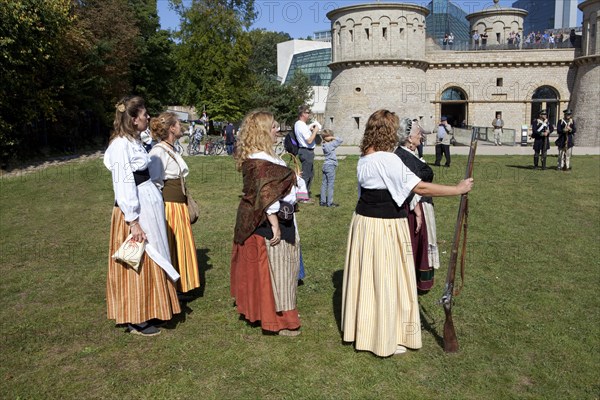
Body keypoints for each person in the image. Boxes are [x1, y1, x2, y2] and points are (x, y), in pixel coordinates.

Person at [341, 109, 473, 357]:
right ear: (389, 132)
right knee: (389, 279)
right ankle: (386, 337)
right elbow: (420, 187)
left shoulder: (364, 158)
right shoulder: (388, 159)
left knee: (370, 279)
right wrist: (457, 189)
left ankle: (366, 330)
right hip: (385, 226)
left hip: (364, 224)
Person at [103, 96, 181, 336]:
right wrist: (133, 221)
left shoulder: (135, 141)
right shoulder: (120, 146)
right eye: (144, 114)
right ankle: (135, 317)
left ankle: (153, 307)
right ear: (133, 119)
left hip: (147, 204)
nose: (148, 117)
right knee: (138, 260)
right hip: (134, 211)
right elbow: (124, 183)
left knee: (153, 255)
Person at [231, 110, 302, 337]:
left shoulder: (264, 157)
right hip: (267, 223)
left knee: (281, 269)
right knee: (276, 271)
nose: (277, 130)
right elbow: (266, 195)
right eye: (273, 127)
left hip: (266, 217)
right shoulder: (260, 161)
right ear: (262, 131)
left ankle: (271, 314)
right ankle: (278, 320)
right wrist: (274, 224)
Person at [148, 112, 201, 297]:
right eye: (178, 124)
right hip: (169, 206)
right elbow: (155, 183)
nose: (181, 127)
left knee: (181, 244)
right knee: (173, 244)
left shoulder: (171, 149)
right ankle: (172, 287)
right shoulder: (158, 152)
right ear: (171, 128)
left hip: (178, 204)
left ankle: (182, 285)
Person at [395, 118, 440, 294]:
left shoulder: (410, 153)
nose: (421, 136)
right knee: (414, 246)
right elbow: (410, 186)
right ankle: (408, 283)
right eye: (418, 133)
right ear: (408, 137)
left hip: (423, 205)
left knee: (422, 245)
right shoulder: (401, 155)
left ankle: (417, 281)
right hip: (414, 208)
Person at [294, 105, 320, 203]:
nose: (309, 114)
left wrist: (310, 130)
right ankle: (302, 197)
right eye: (307, 112)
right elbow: (309, 140)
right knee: (306, 174)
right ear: (302, 114)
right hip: (306, 151)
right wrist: (316, 131)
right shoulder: (300, 125)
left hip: (305, 151)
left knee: (310, 173)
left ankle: (305, 195)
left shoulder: (300, 124)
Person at [319, 129, 343, 208]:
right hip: (330, 166)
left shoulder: (324, 144)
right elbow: (340, 140)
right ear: (328, 137)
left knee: (324, 184)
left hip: (325, 165)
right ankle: (330, 203)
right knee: (330, 184)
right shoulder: (330, 145)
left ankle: (322, 201)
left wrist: (327, 138)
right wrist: (333, 137)